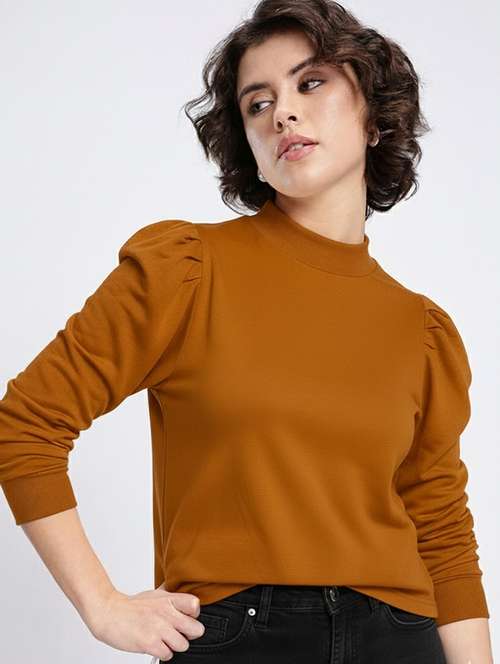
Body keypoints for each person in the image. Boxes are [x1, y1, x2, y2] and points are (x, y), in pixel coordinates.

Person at [0, 1, 493, 662]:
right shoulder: (186, 271)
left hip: (400, 637)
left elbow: (442, 528)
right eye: (258, 103)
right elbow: (27, 423)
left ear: (375, 117)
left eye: (310, 83)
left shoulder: (423, 331)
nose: (282, 112)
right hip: (240, 636)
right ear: (251, 150)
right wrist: (102, 605)